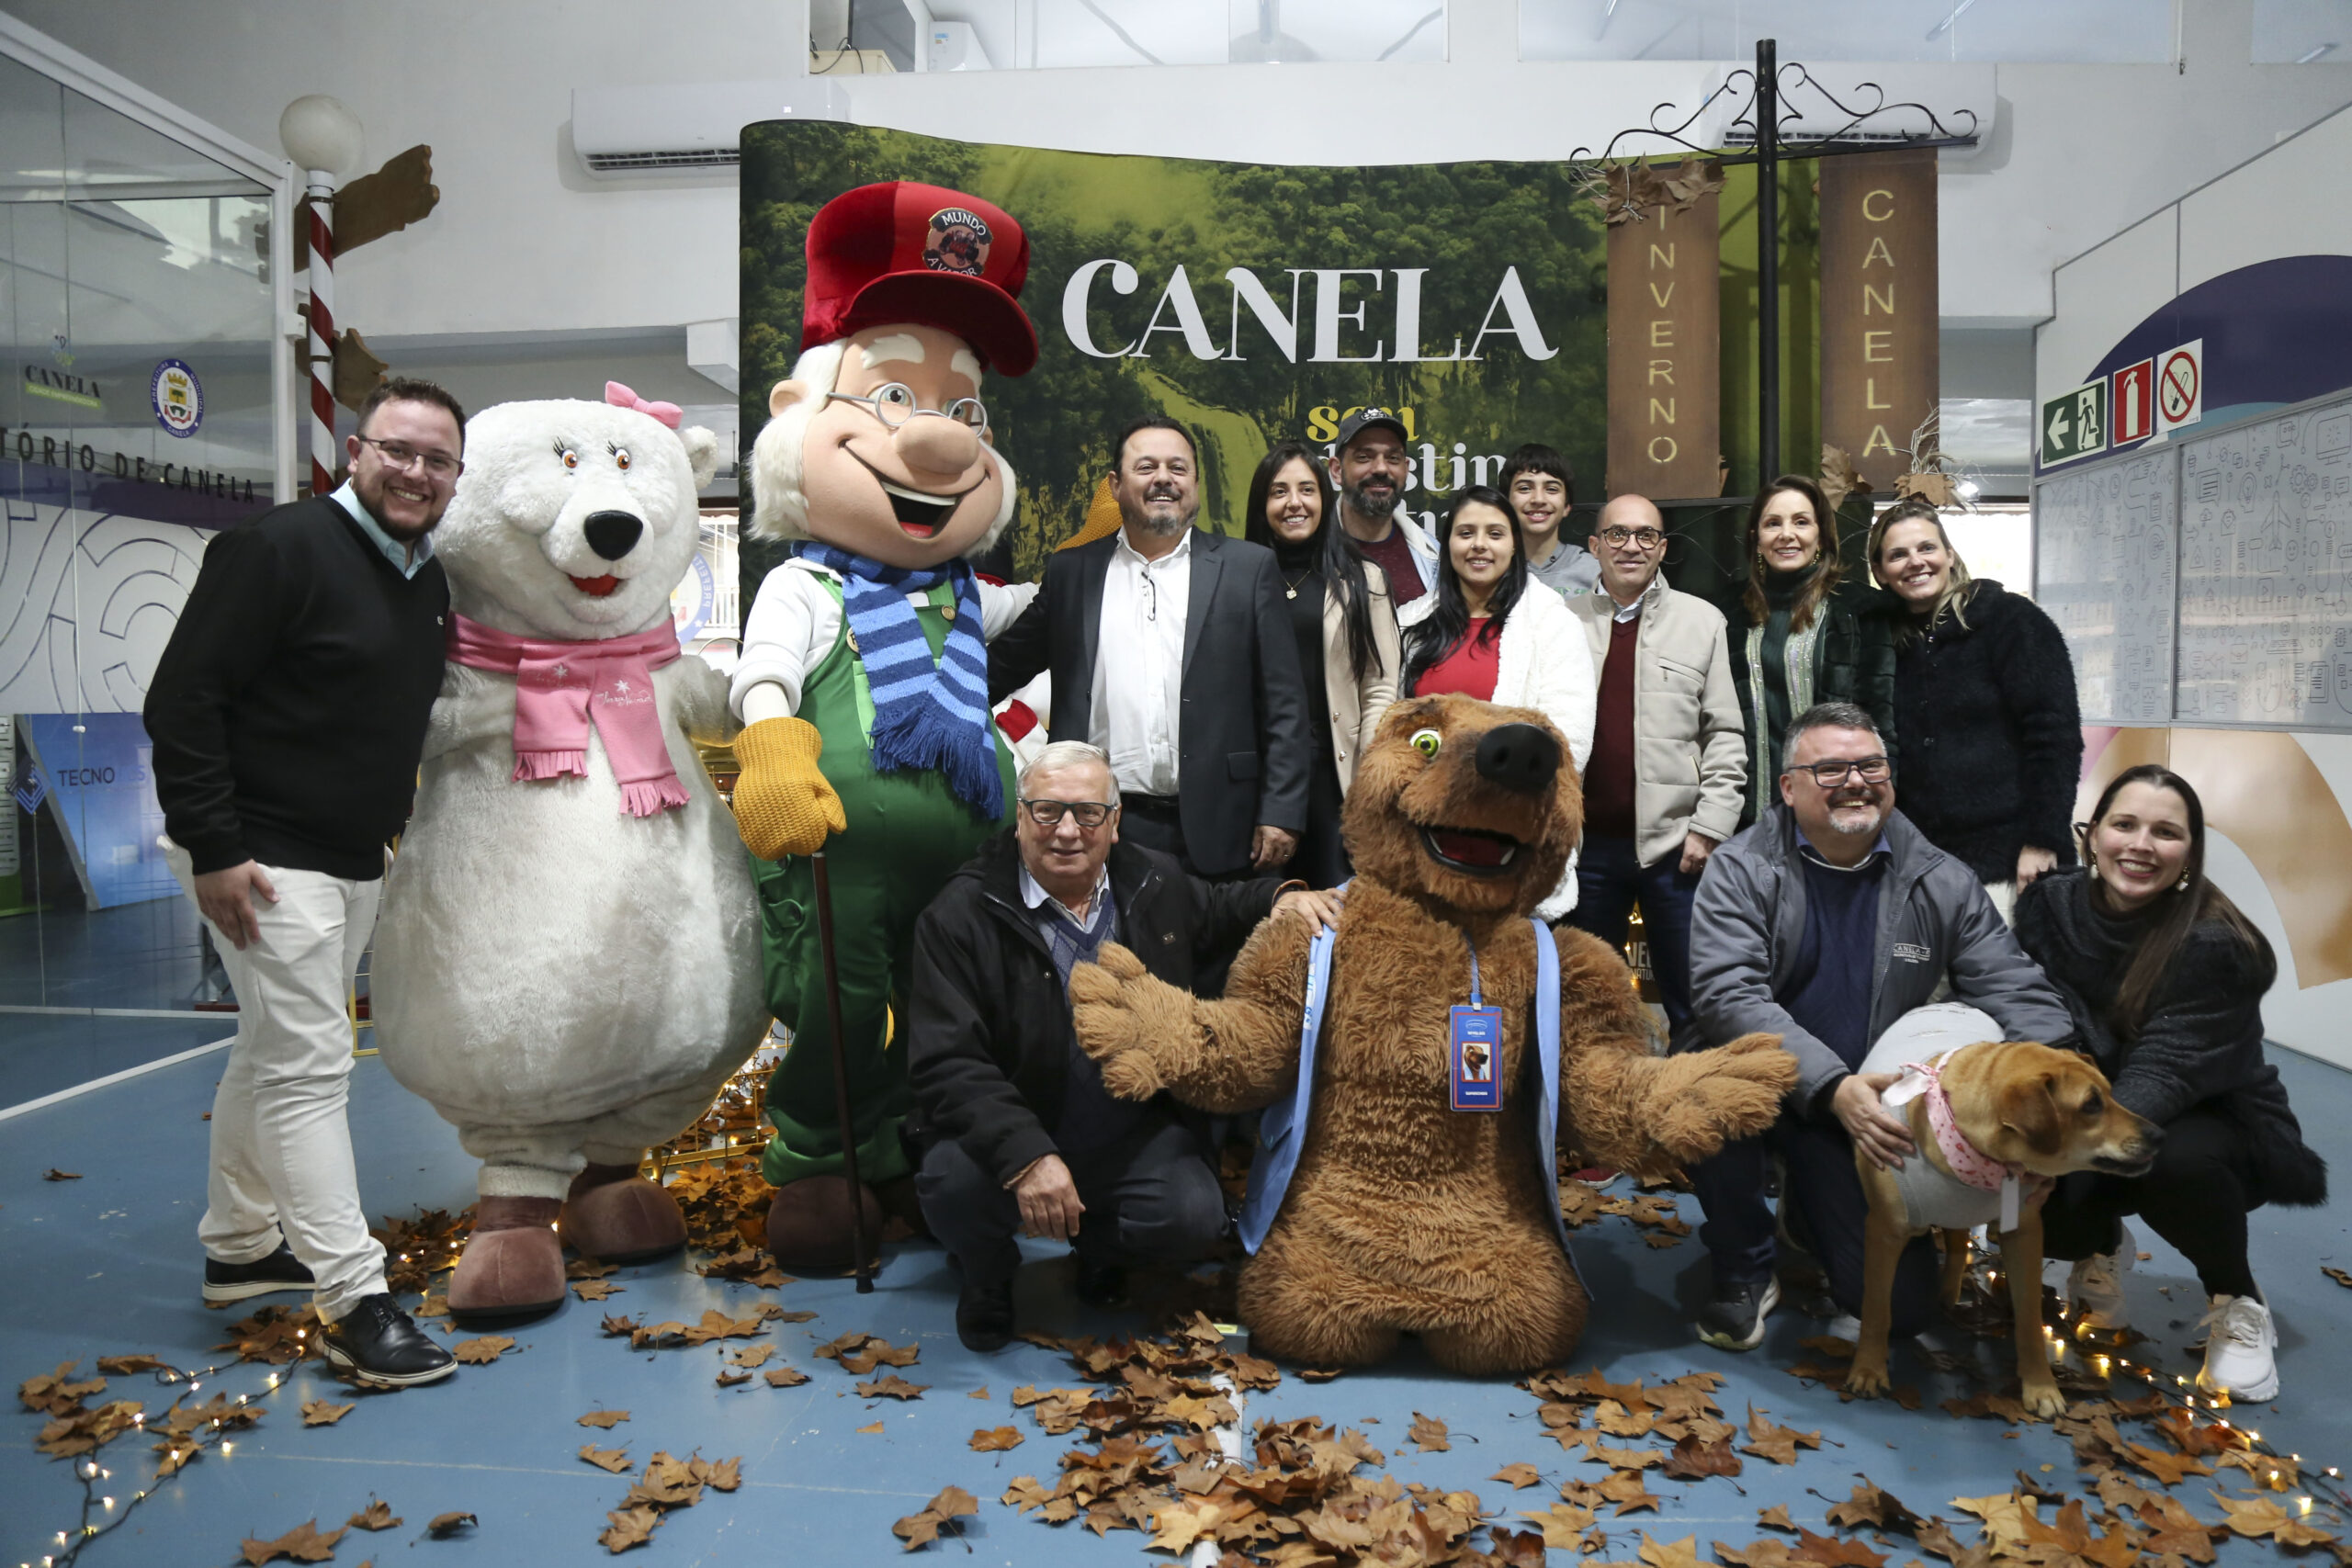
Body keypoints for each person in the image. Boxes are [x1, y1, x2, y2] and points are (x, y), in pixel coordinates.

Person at [141, 378, 469, 1387]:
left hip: (349, 853)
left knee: (273, 1052)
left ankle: (240, 1247)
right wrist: (211, 846)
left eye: (437, 460)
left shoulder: (424, 576)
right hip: (261, 856)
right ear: (356, 451)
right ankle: (353, 1299)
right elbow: (182, 700)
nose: (415, 472)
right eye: (398, 451)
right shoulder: (279, 549)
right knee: (309, 1068)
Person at [906, 741, 1340, 1350]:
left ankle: (1100, 1250)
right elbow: (947, 1062)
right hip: (1012, 1126)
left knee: (1192, 1212)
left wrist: (1282, 897)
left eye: (1086, 814)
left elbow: (1217, 905)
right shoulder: (959, 913)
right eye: (1046, 811)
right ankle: (987, 1273)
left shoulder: (1152, 878)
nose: (1065, 831)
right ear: (1020, 817)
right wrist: (1028, 1154)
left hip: (1125, 1128)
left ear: (1114, 824)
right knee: (952, 1185)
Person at [1681, 702, 2075, 1352]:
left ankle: (1809, 1215)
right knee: (1703, 1093)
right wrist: (1832, 1085)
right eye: (1831, 768)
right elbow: (1727, 994)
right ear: (1789, 787)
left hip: (1866, 1097)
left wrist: (2059, 1089)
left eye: (1870, 764)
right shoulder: (1742, 865)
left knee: (1901, 1310)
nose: (1856, 780)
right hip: (1759, 1071)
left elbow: (2011, 983)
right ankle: (1742, 1263)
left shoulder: (1938, 877)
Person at [2016, 765, 2327, 1403]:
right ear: (2092, 833)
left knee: (2166, 1161)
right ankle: (2096, 1245)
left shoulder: (2217, 943)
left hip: (2214, 1120)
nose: (2140, 844)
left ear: (2190, 852)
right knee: (2033, 1181)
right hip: (2096, 1104)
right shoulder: (2049, 906)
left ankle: (2238, 1297)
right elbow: (2023, 1008)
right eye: (2124, 824)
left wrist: (2061, 1154)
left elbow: (2165, 1071)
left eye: (2165, 832)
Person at [990, 417, 1311, 877]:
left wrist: (1281, 810)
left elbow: (1286, 705)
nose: (1164, 478)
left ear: (1196, 485)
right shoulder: (1071, 573)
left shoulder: (1248, 569)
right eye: (1146, 467)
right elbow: (1000, 667)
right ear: (1116, 485)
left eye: (1178, 468)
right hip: (1098, 826)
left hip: (1225, 822)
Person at [1565, 494, 1746, 1033]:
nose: (1631, 546)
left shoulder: (1703, 621)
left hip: (1677, 850)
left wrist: (1710, 827)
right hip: (1585, 851)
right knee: (1586, 1006)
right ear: (1594, 546)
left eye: (1646, 535)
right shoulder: (1558, 622)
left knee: (1695, 1003)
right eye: (1617, 534)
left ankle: (1690, 1110)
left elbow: (1726, 733)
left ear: (1662, 549)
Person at [1868, 500, 2082, 919]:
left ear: (1949, 555)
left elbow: (2054, 736)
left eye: (1927, 548)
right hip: (1913, 868)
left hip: (2006, 867)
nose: (1916, 562)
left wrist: (2044, 839)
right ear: (1880, 572)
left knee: (2005, 983)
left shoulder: (2009, 621)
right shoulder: (1883, 642)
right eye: (1898, 554)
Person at [1397, 485, 1596, 919]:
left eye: (1495, 533)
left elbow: (1568, 741)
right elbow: (1395, 735)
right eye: (1466, 533)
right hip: (1425, 838)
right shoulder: (1412, 625)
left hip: (1509, 836)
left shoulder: (1552, 625)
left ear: (1514, 545)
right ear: (1447, 543)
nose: (1479, 545)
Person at [1242, 440, 1402, 886]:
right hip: (1260, 775)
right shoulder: (1234, 577)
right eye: (1279, 492)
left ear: (1324, 498)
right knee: (1266, 914)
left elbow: (1381, 686)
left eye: (1307, 490)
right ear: (1262, 503)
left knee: (1340, 911)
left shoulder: (1362, 577)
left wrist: (1369, 779)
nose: (1294, 503)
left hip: (1337, 773)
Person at [1724, 475, 1895, 827]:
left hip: (1841, 807)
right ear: (1757, 539)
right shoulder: (1728, 614)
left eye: (1801, 521)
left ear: (1820, 534)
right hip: (1747, 814)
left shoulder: (1859, 610)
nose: (1787, 534)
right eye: (1773, 523)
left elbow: (1882, 724)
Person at [1324, 408, 1436, 608]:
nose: (1381, 469)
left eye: (1393, 458)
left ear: (1406, 468)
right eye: (1364, 457)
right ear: (1337, 470)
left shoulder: (1434, 555)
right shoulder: (1311, 552)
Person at [1500, 443, 1600, 597]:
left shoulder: (1597, 572)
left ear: (1567, 505)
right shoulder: (1492, 570)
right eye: (1525, 488)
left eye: (1552, 489)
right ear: (1506, 502)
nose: (1538, 499)